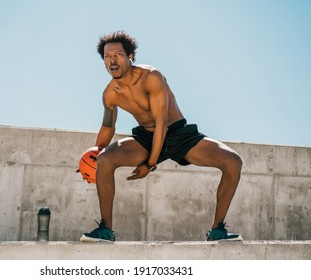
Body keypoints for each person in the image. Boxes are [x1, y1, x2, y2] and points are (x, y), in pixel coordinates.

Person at [78, 31, 243, 242]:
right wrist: (93, 157)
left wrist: (150, 164)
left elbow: (162, 124)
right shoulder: (110, 94)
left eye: (117, 54)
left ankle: (217, 230)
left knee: (233, 162)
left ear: (129, 57)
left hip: (177, 133)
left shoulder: (151, 77)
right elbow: (108, 126)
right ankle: (106, 230)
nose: (112, 60)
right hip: (146, 137)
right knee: (105, 159)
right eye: (107, 57)